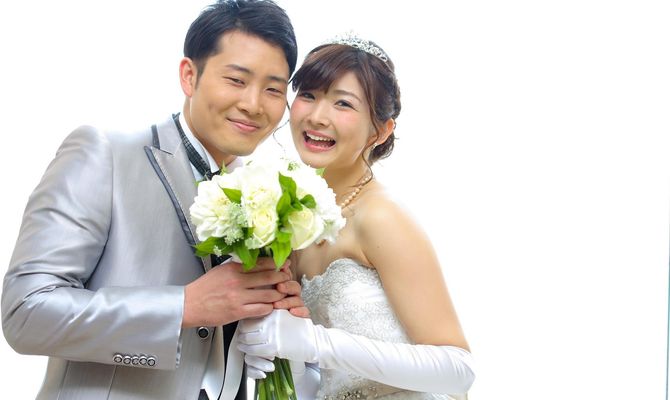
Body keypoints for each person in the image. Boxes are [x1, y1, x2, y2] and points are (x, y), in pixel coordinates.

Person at [1, 1, 307, 399]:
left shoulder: (268, 194)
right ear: (189, 76)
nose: (253, 104)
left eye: (273, 89)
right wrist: (183, 307)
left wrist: (277, 324)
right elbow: (25, 313)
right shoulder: (105, 153)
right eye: (236, 80)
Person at [237, 34, 476, 399]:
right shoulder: (297, 221)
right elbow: (329, 379)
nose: (317, 117)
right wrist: (283, 358)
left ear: (380, 131)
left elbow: (458, 369)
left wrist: (316, 342)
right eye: (308, 95)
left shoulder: (380, 216)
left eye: (343, 103)